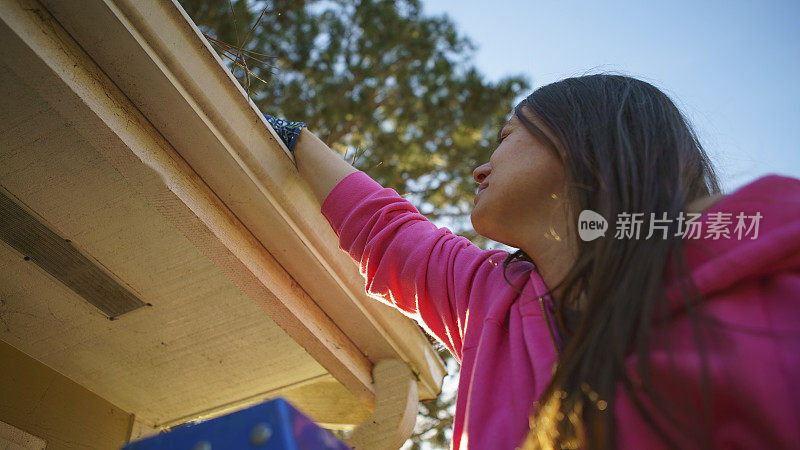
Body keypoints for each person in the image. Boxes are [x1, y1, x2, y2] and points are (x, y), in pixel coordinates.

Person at [264, 74, 800, 449]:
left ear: (582, 140)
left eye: (505, 137)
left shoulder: (774, 252)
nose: (479, 168)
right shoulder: (488, 298)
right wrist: (285, 135)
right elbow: (386, 227)